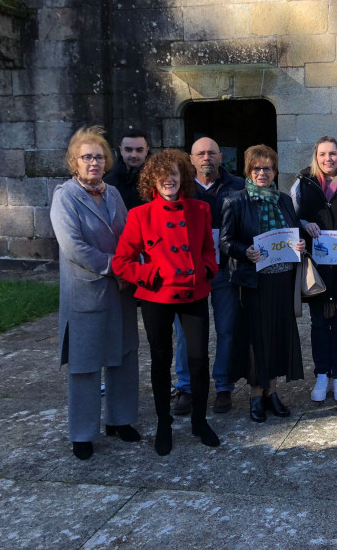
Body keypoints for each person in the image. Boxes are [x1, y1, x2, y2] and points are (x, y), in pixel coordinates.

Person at [113, 149, 220, 456]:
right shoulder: (140, 215)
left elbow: (208, 250)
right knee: (161, 360)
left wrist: (207, 269)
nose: (168, 179)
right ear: (153, 181)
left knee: (199, 360)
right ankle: (163, 423)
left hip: (194, 292)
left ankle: (199, 421)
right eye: (162, 175)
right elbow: (122, 261)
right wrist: (151, 274)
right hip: (157, 296)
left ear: (182, 176)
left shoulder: (200, 209)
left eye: (173, 173)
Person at [50, 126, 140, 460]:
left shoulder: (114, 194)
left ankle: (120, 420)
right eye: (87, 157)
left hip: (121, 290)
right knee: (85, 365)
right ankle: (83, 433)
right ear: (74, 161)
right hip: (87, 291)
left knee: (124, 355)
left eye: (99, 157)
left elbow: (130, 233)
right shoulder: (65, 197)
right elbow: (73, 247)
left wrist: (135, 264)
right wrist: (117, 267)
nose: (94, 163)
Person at [219, 145, 306, 422]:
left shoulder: (284, 201)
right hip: (254, 282)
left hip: (282, 280)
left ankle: (272, 392)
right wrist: (245, 251)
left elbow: (294, 233)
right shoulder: (236, 201)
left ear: (274, 171)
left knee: (279, 335)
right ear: (248, 171)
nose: (262, 173)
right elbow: (224, 242)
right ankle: (256, 396)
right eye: (256, 168)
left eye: (267, 168)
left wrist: (301, 244)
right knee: (257, 339)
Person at [172, 137, 244, 416]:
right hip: (190, 274)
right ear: (190, 159)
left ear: (221, 156)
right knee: (185, 334)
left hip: (226, 269)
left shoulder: (237, 186)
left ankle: (223, 386)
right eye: (200, 153)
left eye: (212, 152)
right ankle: (186, 387)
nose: (206, 158)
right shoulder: (181, 187)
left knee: (227, 330)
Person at [291, 137, 337, 403]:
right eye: (322, 154)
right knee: (320, 324)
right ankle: (322, 375)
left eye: (332, 154)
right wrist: (304, 224)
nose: (328, 159)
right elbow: (291, 215)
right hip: (317, 269)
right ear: (316, 156)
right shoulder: (303, 182)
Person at [103, 128, 150, 211]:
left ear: (146, 151)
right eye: (128, 150)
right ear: (121, 150)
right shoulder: (108, 183)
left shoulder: (157, 180)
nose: (134, 155)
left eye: (139, 150)